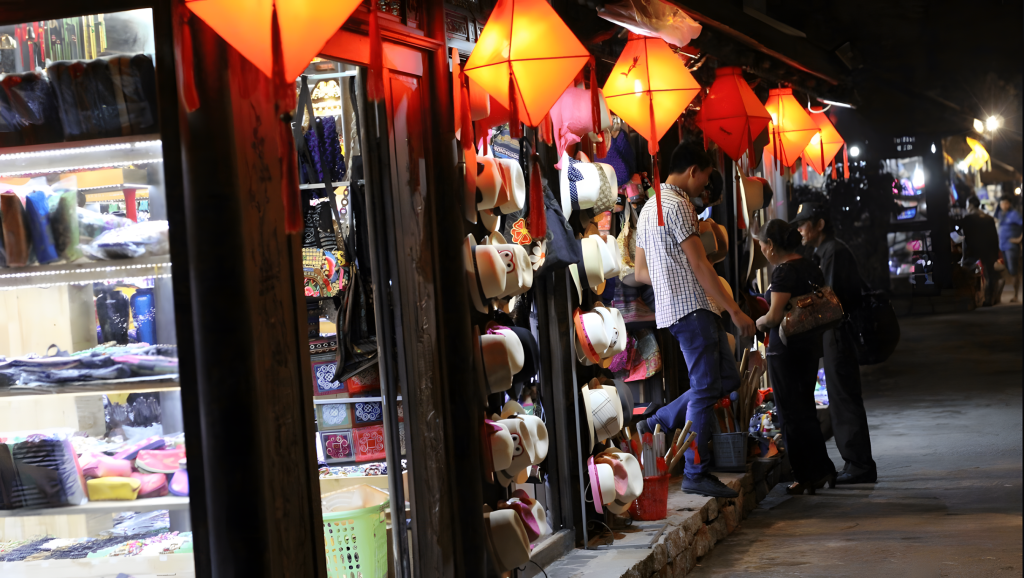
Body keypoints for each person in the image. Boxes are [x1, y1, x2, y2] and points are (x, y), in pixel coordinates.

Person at [632, 141, 755, 498]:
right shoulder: (681, 205)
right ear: (693, 171)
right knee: (705, 389)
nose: (705, 186)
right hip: (694, 309)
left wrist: (671, 278)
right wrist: (735, 310)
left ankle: (659, 420)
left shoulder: (648, 208)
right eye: (705, 178)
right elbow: (700, 265)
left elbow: (640, 272)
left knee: (726, 380)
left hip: (676, 311)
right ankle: (695, 472)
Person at [792, 203, 877, 484]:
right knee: (840, 396)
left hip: (839, 332)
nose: (800, 230)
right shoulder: (827, 251)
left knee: (844, 396)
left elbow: (829, 301)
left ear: (820, 224)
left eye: (804, 223)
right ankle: (855, 462)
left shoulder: (834, 252)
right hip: (834, 332)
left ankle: (860, 464)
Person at [753, 219, 837, 495]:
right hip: (809, 345)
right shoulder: (810, 265)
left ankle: (804, 475)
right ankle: (822, 468)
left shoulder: (784, 272)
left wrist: (758, 322)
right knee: (805, 409)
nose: (762, 250)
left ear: (771, 245)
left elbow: (774, 316)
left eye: (762, 245)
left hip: (786, 349)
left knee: (790, 413)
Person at [960, 196, 1001, 306]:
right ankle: (989, 300)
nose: (967, 207)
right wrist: (995, 253)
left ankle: (971, 299)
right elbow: (994, 237)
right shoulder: (989, 218)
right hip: (988, 251)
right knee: (990, 276)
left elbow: (966, 239)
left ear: (971, 205)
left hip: (973, 251)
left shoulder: (968, 219)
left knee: (968, 274)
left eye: (967, 205)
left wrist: (964, 256)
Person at [995, 194, 1023, 302]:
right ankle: (998, 297)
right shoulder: (1001, 213)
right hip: (1002, 246)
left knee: (1013, 271)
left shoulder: (1014, 214)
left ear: (1010, 204)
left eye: (1006, 203)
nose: (1003, 205)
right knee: (1004, 271)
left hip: (1011, 247)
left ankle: (1015, 296)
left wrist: (1019, 239)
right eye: (1002, 203)